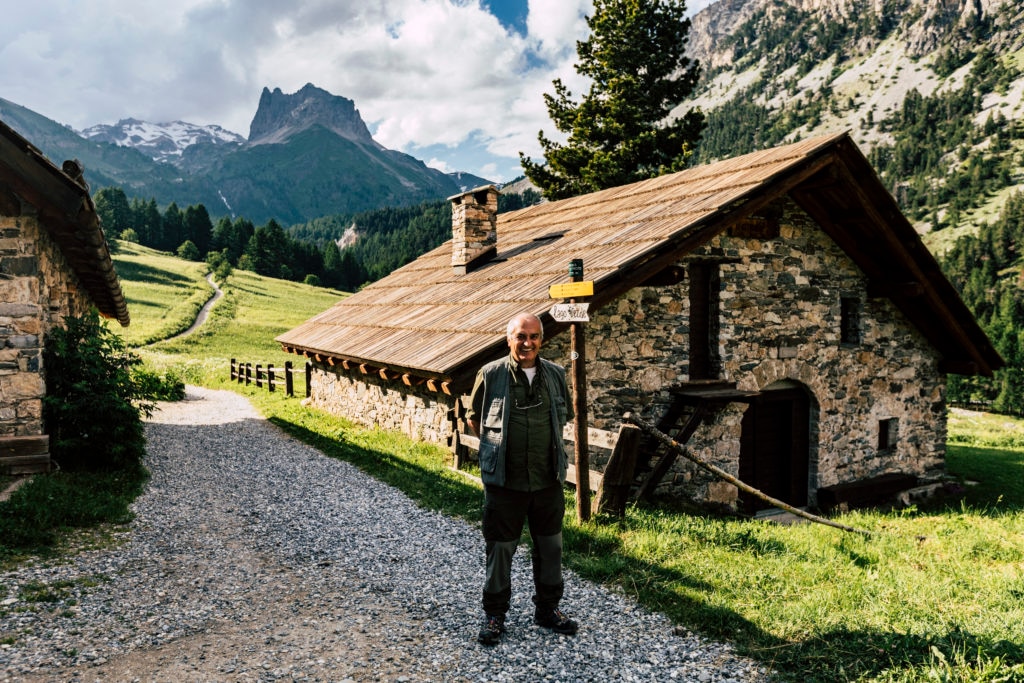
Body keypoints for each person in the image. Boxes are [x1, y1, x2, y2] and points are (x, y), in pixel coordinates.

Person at [467, 312, 578, 645]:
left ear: (541, 340)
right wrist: (497, 453)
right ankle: (494, 616)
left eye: (533, 337)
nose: (527, 343)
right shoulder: (490, 375)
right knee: (500, 550)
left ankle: (548, 610)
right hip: (505, 484)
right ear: (509, 339)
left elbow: (565, 417)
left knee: (551, 547)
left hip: (547, 481)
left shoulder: (557, 375)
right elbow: (476, 419)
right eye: (520, 337)